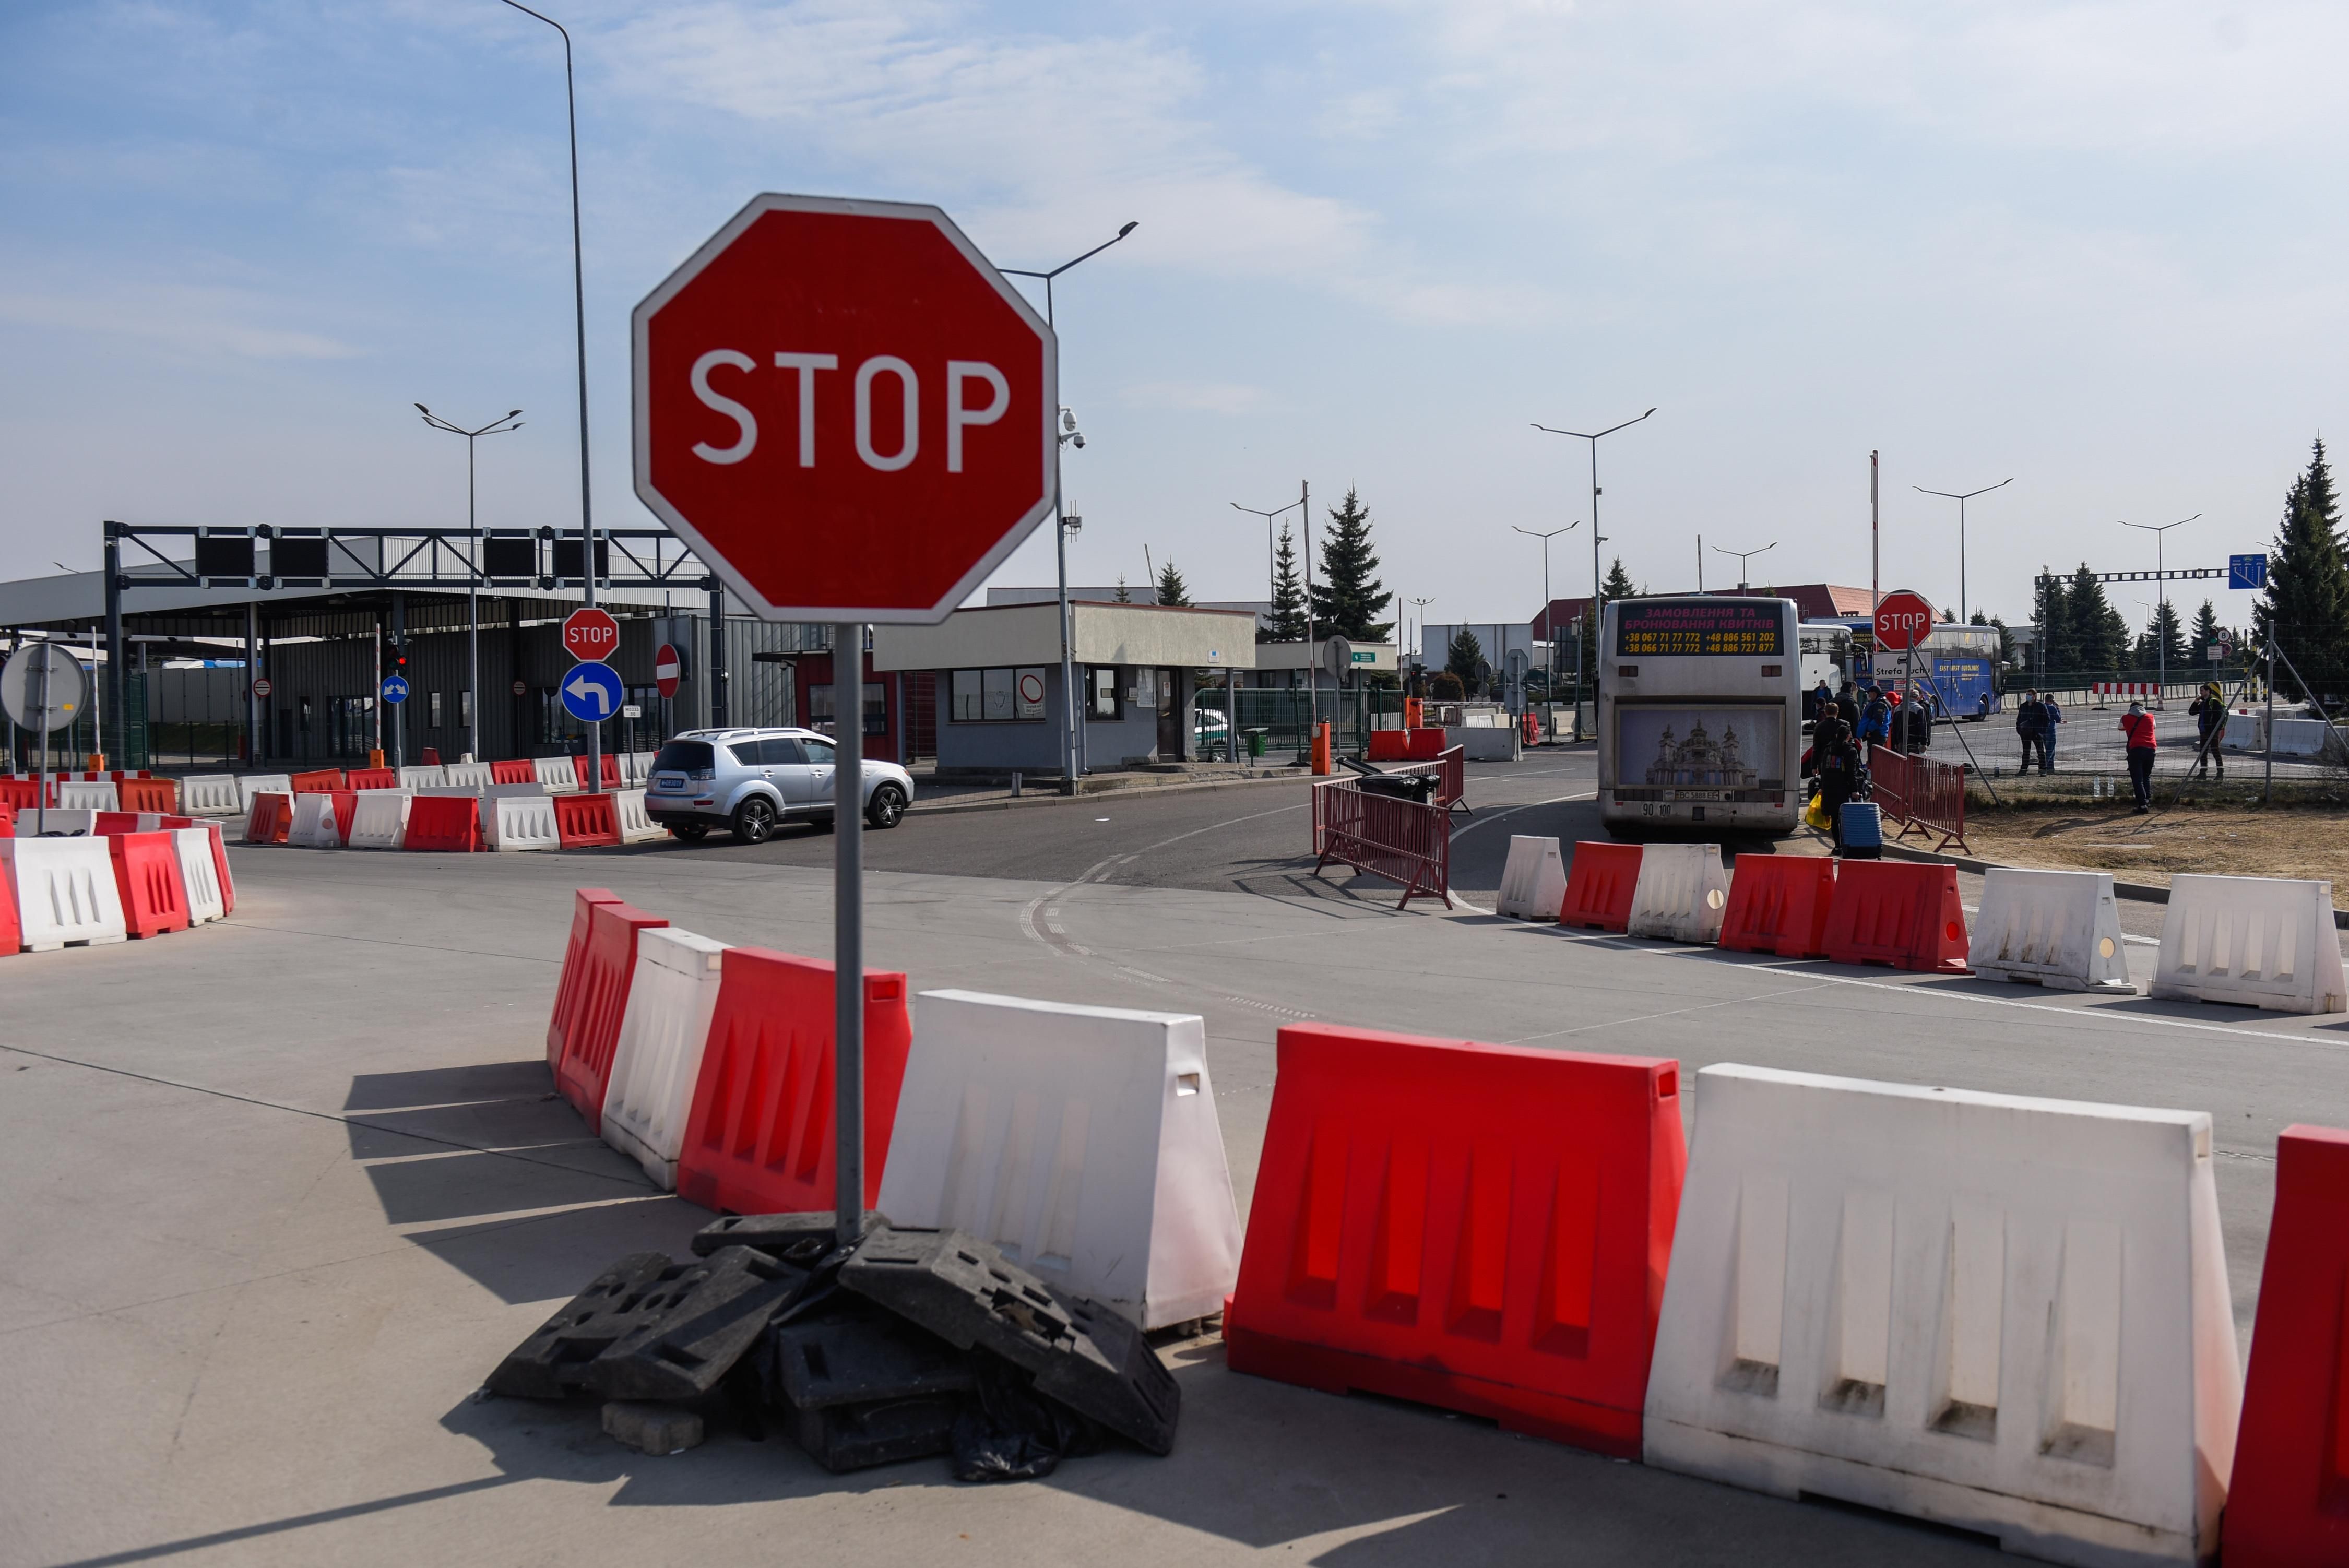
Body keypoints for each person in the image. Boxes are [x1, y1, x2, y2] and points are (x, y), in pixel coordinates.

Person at [1812, 703, 1861, 850]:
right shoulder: (1847, 738)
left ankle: (1838, 845)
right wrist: (1855, 789)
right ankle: (1850, 843)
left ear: (1825, 712)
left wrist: (1815, 767)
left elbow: (1816, 748)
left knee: (1834, 816)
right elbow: (1851, 771)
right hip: (1843, 786)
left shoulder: (1820, 730)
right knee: (1845, 816)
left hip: (1828, 780)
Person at [2119, 700, 2157, 812]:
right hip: (2151, 749)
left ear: (2130, 709)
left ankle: (2142, 805)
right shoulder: (2150, 717)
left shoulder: (2125, 718)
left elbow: (2120, 728)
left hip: (2136, 749)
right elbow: (2154, 727)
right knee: (2147, 776)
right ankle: (2147, 800)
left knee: (2137, 778)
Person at [2189, 681, 2226, 778]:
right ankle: (2203, 773)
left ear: (2208, 691)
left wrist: (2215, 730)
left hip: (2212, 732)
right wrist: (2196, 702)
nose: (2200, 693)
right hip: (2203, 731)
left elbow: (2220, 717)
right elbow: (2192, 712)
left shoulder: (2214, 702)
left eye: (2202, 691)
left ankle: (2220, 773)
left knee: (2215, 751)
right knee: (2203, 752)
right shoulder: (2203, 703)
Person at [2015, 688, 2045, 772]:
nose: (2027, 696)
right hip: (2025, 732)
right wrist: (2019, 730)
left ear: (2034, 696)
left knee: (2040, 751)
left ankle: (2043, 769)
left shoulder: (2041, 706)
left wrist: (2042, 731)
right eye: (2027, 695)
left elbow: (2047, 719)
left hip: (2037, 732)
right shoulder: (2023, 706)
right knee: (2026, 751)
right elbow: (2019, 719)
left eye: (2029, 695)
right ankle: (2024, 769)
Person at [1860, 685, 1891, 751]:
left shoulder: (1880, 704)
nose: (1868, 696)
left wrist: (1869, 730)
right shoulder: (1879, 702)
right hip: (1879, 733)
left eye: (1869, 693)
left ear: (1874, 694)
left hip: (1877, 734)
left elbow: (1878, 720)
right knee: (1875, 756)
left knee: (1874, 757)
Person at [2039, 691, 2062, 772]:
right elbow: (2058, 719)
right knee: (2050, 750)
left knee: (2051, 751)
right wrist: (2058, 709)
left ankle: (2050, 768)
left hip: (2042, 731)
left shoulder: (2041, 707)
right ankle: (2044, 766)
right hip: (2051, 731)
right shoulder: (2052, 708)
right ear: (2052, 701)